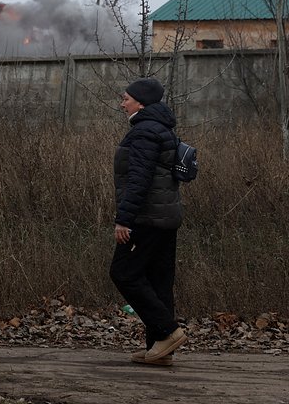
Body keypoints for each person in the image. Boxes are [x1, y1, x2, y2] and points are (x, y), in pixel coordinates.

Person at [111, 77, 187, 366]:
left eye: (126, 98)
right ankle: (160, 348)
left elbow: (138, 181)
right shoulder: (162, 129)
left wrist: (124, 220)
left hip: (147, 218)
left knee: (123, 273)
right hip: (166, 216)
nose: (122, 102)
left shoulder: (143, 132)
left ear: (140, 103)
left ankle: (168, 332)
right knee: (159, 281)